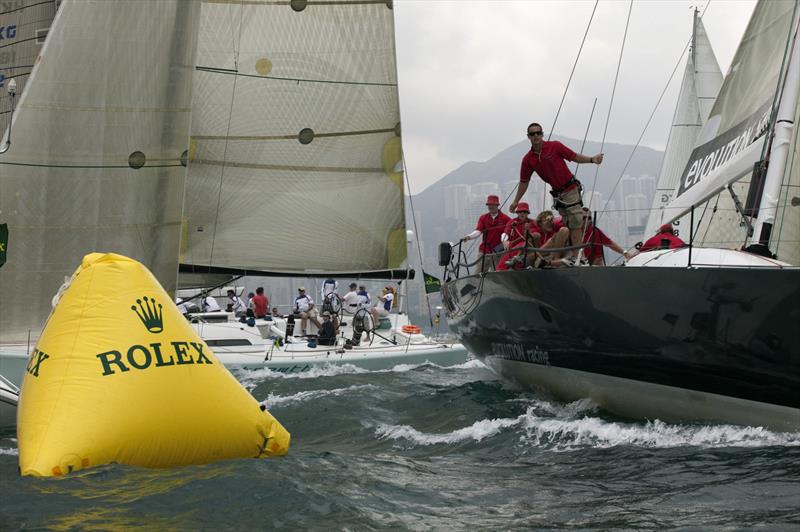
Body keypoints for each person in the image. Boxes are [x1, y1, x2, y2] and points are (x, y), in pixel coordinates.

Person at [510, 122, 604, 259]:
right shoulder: (528, 160)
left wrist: (592, 159)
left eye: (538, 133)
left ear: (542, 134)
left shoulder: (555, 146)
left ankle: (578, 257)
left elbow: (574, 156)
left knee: (576, 221)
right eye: (532, 134)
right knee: (567, 225)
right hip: (558, 195)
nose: (536, 136)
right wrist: (515, 201)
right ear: (528, 137)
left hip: (570, 188)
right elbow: (524, 182)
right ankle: (567, 256)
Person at [460, 194, 512, 272]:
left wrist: (505, 242)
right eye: (489, 204)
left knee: (497, 274)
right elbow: (478, 231)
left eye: (493, 204)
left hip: (498, 252)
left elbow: (508, 232)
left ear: (497, 205)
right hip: (484, 251)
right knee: (478, 274)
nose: (491, 207)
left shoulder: (506, 218)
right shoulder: (483, 218)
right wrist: (468, 237)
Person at [497, 202, 541, 270]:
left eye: (524, 211)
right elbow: (505, 233)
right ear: (517, 213)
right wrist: (505, 241)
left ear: (527, 213)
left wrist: (528, 232)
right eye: (520, 212)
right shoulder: (512, 222)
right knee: (501, 267)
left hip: (529, 248)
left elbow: (535, 236)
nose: (522, 213)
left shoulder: (533, 222)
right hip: (513, 248)